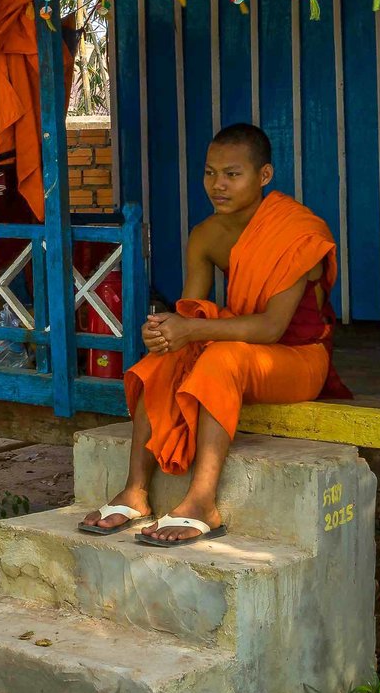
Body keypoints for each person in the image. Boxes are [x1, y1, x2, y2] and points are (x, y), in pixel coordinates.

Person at [84, 123, 344, 546]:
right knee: (168, 356)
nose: (217, 185)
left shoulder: (295, 232)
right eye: (209, 173)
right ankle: (135, 490)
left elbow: (271, 327)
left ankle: (202, 500)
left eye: (232, 174)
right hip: (240, 348)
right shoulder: (205, 235)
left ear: (264, 176)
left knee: (219, 358)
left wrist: (192, 329)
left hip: (297, 358)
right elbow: (190, 313)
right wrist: (167, 333)